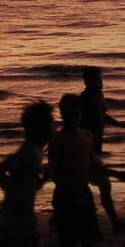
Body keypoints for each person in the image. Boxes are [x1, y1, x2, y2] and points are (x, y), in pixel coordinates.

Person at [49, 94, 125, 246]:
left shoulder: (87, 136)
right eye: (68, 114)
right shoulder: (57, 140)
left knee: (89, 238)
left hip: (84, 192)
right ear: (62, 114)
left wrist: (115, 173)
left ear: (80, 113)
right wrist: (71, 191)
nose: (72, 118)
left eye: (75, 113)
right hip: (65, 195)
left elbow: (92, 166)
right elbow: (54, 174)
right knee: (68, 240)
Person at [0, 101, 54, 246]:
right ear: (39, 128)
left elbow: (28, 187)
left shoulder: (35, 152)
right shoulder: (30, 152)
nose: (53, 128)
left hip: (17, 218)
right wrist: (14, 197)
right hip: (13, 220)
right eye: (50, 123)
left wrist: (44, 179)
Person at [79, 66, 124, 233]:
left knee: (82, 185)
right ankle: (115, 224)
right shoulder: (83, 100)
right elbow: (77, 124)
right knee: (103, 186)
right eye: (96, 80)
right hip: (86, 150)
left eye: (100, 79)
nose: (100, 83)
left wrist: (119, 124)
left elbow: (102, 115)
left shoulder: (98, 96)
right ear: (86, 81)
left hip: (95, 149)